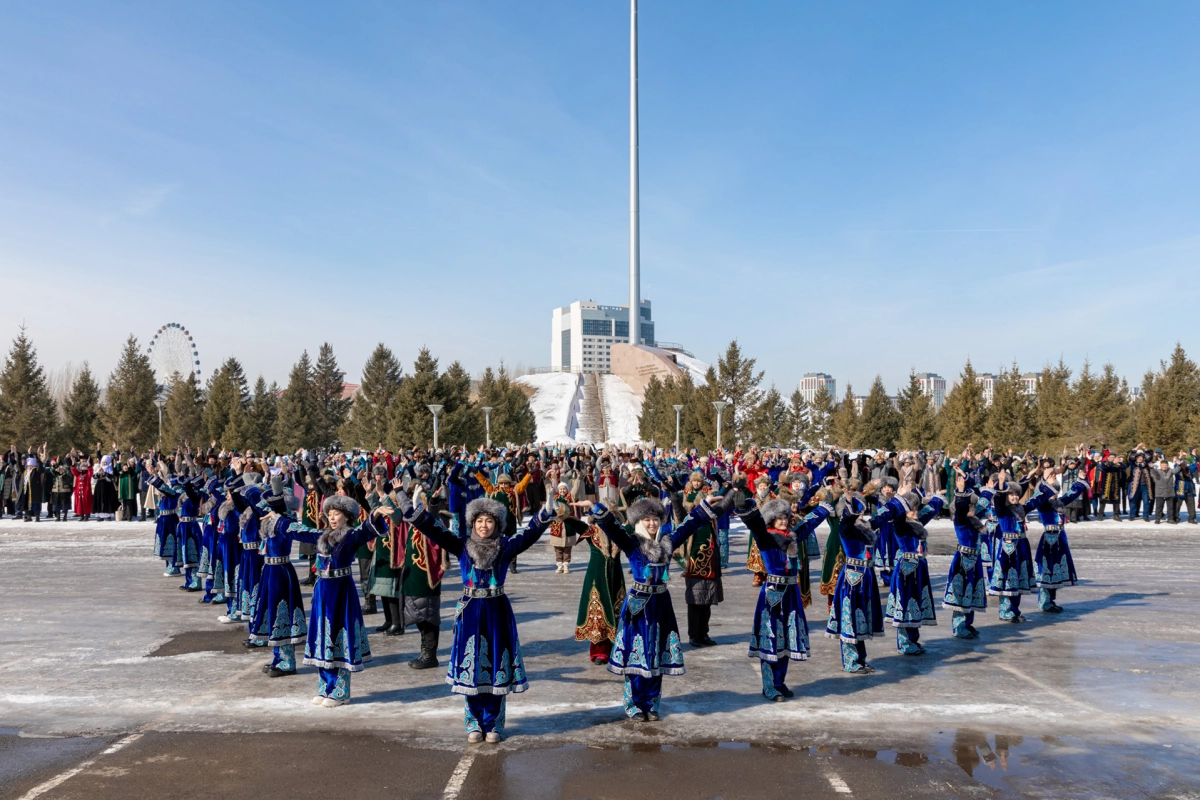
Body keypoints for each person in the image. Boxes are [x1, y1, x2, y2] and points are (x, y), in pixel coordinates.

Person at [390, 489, 554, 743]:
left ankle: (494, 724)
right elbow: (434, 530)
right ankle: (473, 723)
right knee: (472, 668)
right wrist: (410, 507)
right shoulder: (462, 546)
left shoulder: (506, 546)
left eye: (489, 521)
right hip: (470, 612)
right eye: (479, 521)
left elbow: (530, 534)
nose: (484, 525)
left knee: (496, 666)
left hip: (497, 612)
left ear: (497, 523)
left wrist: (547, 511)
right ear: (472, 523)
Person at [589, 492, 726, 721]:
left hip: (661, 604)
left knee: (656, 654)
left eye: (655, 519)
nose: (652, 524)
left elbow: (689, 526)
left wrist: (702, 507)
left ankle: (652, 703)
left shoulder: (667, 541)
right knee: (636, 655)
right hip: (637, 606)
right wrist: (599, 510)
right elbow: (613, 529)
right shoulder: (632, 542)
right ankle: (634, 704)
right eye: (647, 520)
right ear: (639, 522)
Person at [267, 494, 384, 707]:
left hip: (340, 592)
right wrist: (277, 517)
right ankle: (325, 687)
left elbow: (366, 530)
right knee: (323, 638)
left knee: (338, 637)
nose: (332, 517)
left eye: (336, 513)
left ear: (347, 517)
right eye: (329, 514)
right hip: (322, 592)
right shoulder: (322, 536)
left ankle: (340, 691)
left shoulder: (350, 536)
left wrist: (375, 515)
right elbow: (299, 531)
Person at [742, 493, 832, 700]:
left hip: (791, 594)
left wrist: (825, 507)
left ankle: (780, 682)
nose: (783, 521)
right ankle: (769, 686)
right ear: (771, 520)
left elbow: (808, 524)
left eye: (785, 517)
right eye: (779, 518)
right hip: (773, 595)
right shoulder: (765, 538)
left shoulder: (792, 536)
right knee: (770, 639)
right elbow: (755, 525)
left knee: (787, 640)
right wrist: (746, 507)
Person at [824, 489, 884, 673]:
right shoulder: (846, 528)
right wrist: (850, 503)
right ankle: (850, 662)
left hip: (866, 578)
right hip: (852, 578)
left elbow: (885, 513)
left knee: (862, 619)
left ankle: (861, 658)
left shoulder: (865, 527)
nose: (861, 514)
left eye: (862, 510)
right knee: (850, 618)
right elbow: (848, 519)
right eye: (858, 510)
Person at [250, 488, 308, 677]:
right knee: (272, 612)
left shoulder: (284, 522)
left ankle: (288, 661)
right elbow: (254, 502)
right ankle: (278, 657)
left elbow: (304, 533)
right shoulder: (271, 520)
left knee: (282, 613)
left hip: (281, 571)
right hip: (269, 570)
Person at [1030, 476, 1089, 612]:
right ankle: (1044, 602)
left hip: (1061, 540)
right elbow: (1038, 497)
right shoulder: (1043, 505)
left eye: (1056, 491)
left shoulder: (1060, 503)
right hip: (1049, 541)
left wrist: (1081, 479)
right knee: (1047, 570)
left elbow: (1072, 494)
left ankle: (1051, 600)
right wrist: (1045, 485)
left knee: (1057, 572)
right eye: (1051, 491)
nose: (1054, 494)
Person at [574, 518, 626, 665]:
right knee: (598, 614)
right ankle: (600, 651)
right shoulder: (592, 532)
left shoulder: (619, 533)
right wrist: (562, 514)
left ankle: (617, 649)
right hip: (596, 578)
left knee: (617, 611)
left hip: (616, 577)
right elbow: (577, 524)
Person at [945, 474, 989, 639]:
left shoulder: (975, 521)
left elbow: (983, 504)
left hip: (974, 560)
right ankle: (958, 626)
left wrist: (991, 488)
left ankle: (968, 623)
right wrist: (961, 492)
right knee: (960, 592)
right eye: (970, 505)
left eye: (974, 505)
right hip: (963, 560)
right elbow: (961, 506)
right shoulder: (960, 521)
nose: (973, 508)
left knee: (971, 592)